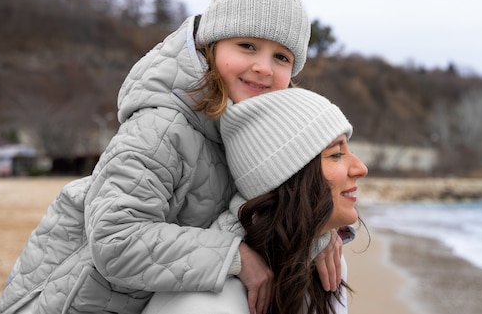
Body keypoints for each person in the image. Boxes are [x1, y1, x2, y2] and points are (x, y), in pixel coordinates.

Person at [0, 0, 343, 314]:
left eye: (281, 58)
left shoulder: (257, 134)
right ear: (210, 48)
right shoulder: (162, 125)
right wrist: (233, 257)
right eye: (247, 45)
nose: (262, 68)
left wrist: (320, 235)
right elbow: (115, 239)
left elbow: (269, 211)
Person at [142, 88, 369, 314]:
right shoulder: (207, 307)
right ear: (285, 178)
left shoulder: (325, 265)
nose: (361, 168)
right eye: (336, 154)